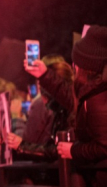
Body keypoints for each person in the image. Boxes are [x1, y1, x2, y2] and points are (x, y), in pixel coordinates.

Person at [26, 26, 107, 169]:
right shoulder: (92, 92)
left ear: (84, 66)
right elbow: (69, 96)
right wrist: (45, 75)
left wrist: (72, 151)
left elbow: (104, 146)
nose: (73, 66)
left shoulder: (97, 98)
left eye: (76, 62)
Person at [6, 61, 74, 161]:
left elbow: (30, 140)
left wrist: (16, 118)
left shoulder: (62, 109)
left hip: (56, 173)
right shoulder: (62, 110)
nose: (41, 97)